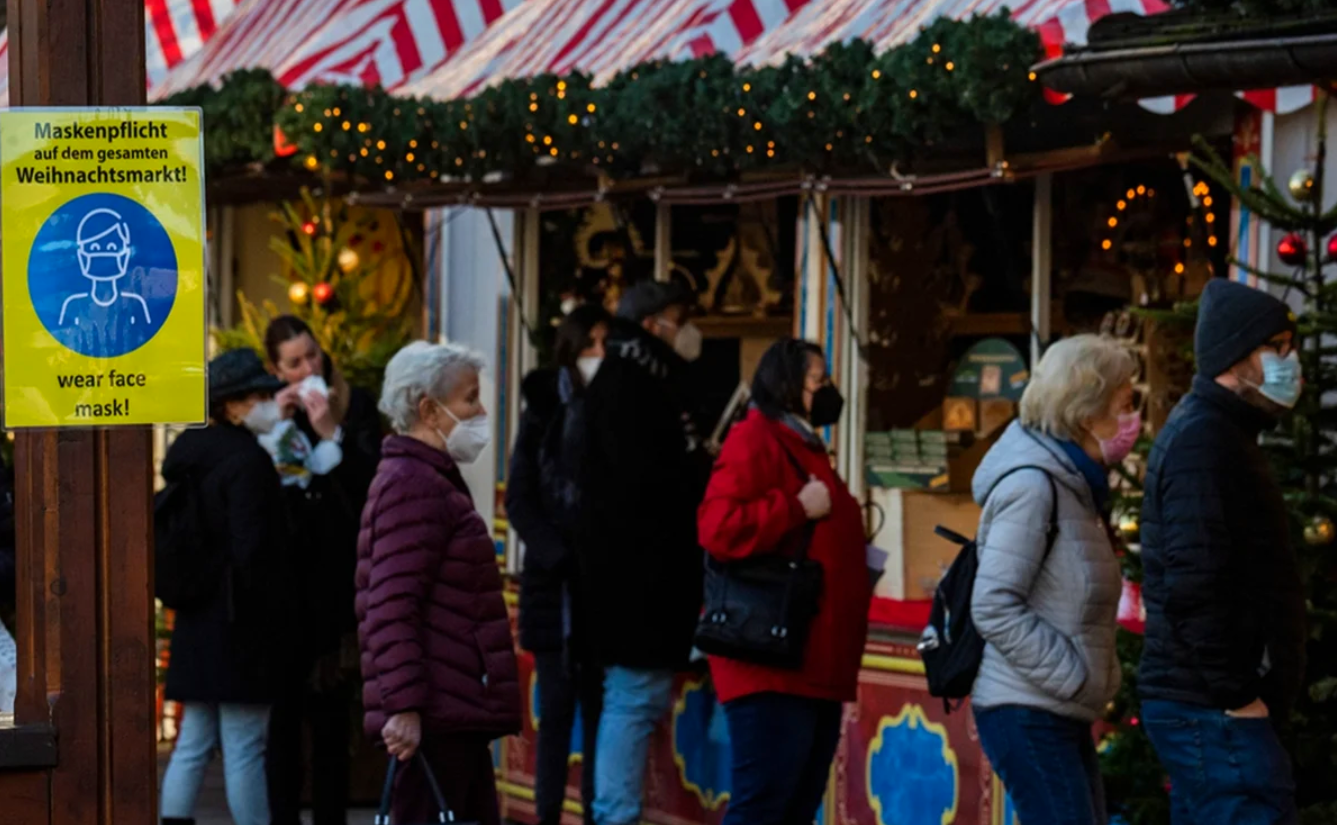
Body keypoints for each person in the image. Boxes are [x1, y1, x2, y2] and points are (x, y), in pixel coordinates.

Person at [1139, 278, 1306, 824]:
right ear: (1236, 357)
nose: (1290, 360)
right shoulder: (1202, 441)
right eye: (1275, 347)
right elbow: (1195, 582)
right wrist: (1237, 695)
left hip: (1210, 705)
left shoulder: (1222, 433)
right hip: (1212, 709)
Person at [697, 338, 869, 825]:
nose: (829, 390)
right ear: (789, 386)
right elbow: (718, 527)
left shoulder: (805, 445)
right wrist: (794, 508)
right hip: (771, 661)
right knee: (764, 804)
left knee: (795, 804)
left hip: (813, 662)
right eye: (820, 381)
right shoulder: (757, 438)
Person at [970, 334, 1132, 825]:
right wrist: (1074, 674)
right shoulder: (1034, 485)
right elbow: (994, 603)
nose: (1132, 420)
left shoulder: (1075, 484)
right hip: (1028, 708)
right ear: (1088, 415)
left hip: (1056, 708)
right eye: (1125, 404)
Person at [357, 341, 521, 825]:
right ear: (429, 408)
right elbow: (389, 605)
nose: (482, 410)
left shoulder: (427, 478)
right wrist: (405, 706)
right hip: (434, 717)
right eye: (470, 398)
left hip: (450, 709)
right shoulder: (415, 484)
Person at [576, 281, 709, 825]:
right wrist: (696, 468)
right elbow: (647, 482)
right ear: (654, 323)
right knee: (633, 699)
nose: (688, 331)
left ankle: (617, 810)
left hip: (635, 579)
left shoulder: (636, 380)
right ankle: (616, 814)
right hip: (638, 582)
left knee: (636, 698)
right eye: (679, 318)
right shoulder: (633, 386)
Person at [159, 349, 293, 825]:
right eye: (258, 396)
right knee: (244, 746)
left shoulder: (187, 457)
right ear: (231, 405)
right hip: (243, 624)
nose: (269, 404)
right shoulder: (248, 463)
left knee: (193, 741)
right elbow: (255, 551)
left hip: (197, 619)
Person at [262, 316, 382, 825]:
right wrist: (273, 425)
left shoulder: (355, 405)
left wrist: (333, 430)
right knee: (284, 723)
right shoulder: (269, 414)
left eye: (312, 354)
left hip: (336, 585)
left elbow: (373, 488)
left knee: (333, 719)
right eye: (295, 362)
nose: (309, 367)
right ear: (276, 369)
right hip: (286, 592)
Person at [507, 304, 611, 825]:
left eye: (605, 342)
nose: (600, 353)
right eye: (590, 343)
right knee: (556, 718)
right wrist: (557, 555)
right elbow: (520, 498)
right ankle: (547, 813)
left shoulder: (616, 411)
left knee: (600, 717)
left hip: (602, 590)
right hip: (554, 591)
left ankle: (596, 812)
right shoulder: (543, 411)